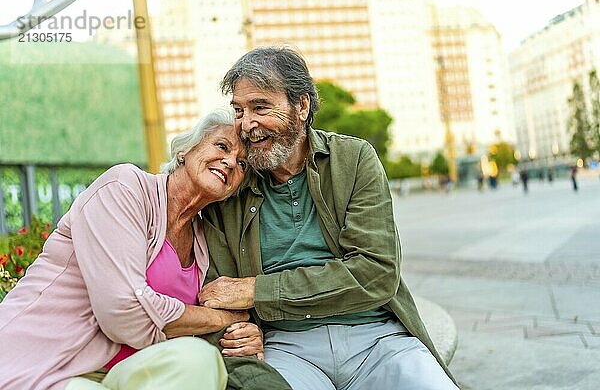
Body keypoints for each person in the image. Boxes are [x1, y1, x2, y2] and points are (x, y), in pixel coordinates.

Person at [199, 47, 458, 390]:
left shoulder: (353, 159)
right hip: (286, 349)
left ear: (301, 106)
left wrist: (257, 291)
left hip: (379, 341)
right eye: (239, 111)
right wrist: (235, 331)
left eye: (260, 107)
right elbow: (216, 294)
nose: (247, 124)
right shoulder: (229, 187)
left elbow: (377, 273)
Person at [0, 109, 268, 390]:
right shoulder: (124, 188)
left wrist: (241, 332)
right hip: (47, 361)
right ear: (185, 151)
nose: (229, 162)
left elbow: (193, 329)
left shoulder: (204, 238)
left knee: (199, 359)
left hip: (128, 372)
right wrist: (221, 318)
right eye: (222, 146)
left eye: (241, 164)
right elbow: (122, 310)